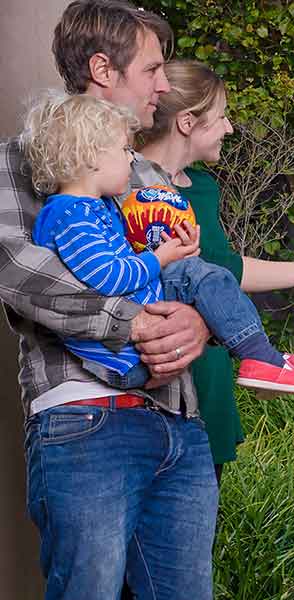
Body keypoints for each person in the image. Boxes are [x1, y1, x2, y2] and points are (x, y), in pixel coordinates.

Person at [0, 2, 215, 598]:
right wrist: (138, 322)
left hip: (179, 421)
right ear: (102, 68)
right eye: (152, 70)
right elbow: (25, 277)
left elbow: (188, 276)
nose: (165, 86)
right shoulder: (16, 161)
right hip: (85, 421)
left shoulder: (145, 174)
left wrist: (198, 322)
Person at [136, 59, 294, 481]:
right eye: (221, 117)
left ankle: (264, 360)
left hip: (210, 372)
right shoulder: (128, 186)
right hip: (161, 379)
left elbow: (221, 269)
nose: (230, 128)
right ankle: (265, 360)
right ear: (187, 122)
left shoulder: (201, 185)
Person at [21, 92, 294, 395]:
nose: (133, 158)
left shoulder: (95, 207)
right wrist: (161, 258)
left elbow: (123, 256)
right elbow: (108, 277)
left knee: (202, 272)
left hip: (136, 330)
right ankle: (261, 360)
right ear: (90, 156)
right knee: (202, 275)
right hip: (123, 359)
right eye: (124, 149)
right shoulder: (69, 215)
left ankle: (264, 358)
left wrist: (174, 246)